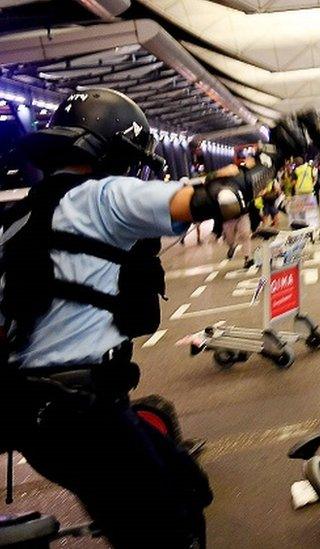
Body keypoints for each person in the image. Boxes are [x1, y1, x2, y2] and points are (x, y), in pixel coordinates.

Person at [0, 89, 254, 547]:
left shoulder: (24, 215)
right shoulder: (104, 196)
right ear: (113, 150)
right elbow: (215, 199)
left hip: (40, 414)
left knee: (184, 483)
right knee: (164, 533)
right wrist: (264, 168)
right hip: (82, 416)